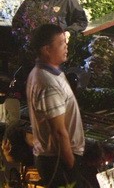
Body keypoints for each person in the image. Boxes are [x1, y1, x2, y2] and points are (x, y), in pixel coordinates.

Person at [26, 24, 86, 187]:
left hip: (58, 159)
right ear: (46, 49)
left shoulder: (46, 73)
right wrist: (72, 166)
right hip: (58, 161)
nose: (66, 47)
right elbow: (59, 132)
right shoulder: (47, 83)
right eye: (61, 43)